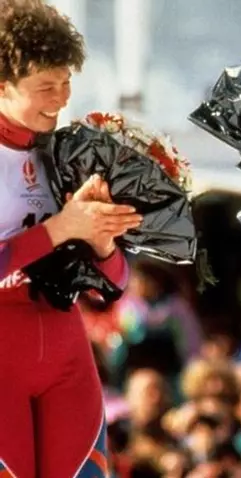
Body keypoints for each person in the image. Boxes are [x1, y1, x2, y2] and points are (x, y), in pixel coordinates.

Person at [0, 1, 142, 477]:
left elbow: (114, 284)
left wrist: (102, 240)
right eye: (46, 86)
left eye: (66, 83)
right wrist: (62, 227)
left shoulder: (67, 154)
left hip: (66, 351)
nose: (61, 99)